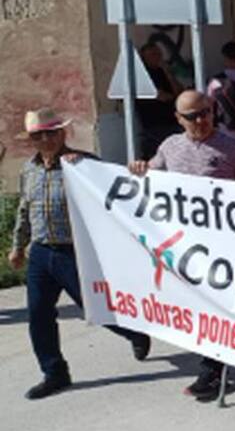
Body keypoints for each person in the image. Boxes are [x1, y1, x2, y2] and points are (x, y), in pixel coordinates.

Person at [12, 109, 152, 400]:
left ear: (63, 134)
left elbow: (115, 192)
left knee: (96, 309)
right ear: (33, 141)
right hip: (40, 251)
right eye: (39, 136)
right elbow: (24, 210)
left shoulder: (82, 163)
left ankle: (135, 333)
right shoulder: (29, 169)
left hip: (74, 252)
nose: (46, 139)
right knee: (38, 315)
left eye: (52, 133)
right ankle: (54, 372)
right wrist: (17, 246)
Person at [127, 91, 235, 400]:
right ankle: (213, 360)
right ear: (179, 119)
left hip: (223, 246)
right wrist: (141, 169)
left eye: (206, 112)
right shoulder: (170, 146)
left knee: (217, 307)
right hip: (184, 247)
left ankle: (213, 368)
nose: (201, 120)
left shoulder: (233, 147)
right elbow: (152, 174)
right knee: (196, 308)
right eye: (192, 116)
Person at [137, 41, 184, 158]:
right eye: (153, 55)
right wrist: (171, 96)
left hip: (171, 120)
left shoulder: (163, 71)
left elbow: (179, 91)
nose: (157, 57)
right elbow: (162, 96)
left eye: (158, 54)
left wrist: (167, 72)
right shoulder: (143, 76)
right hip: (153, 124)